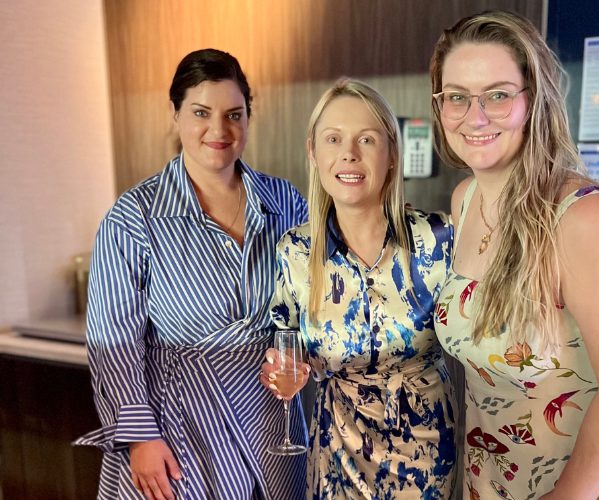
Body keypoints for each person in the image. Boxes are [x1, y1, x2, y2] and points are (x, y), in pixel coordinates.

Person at [429, 12, 599, 500]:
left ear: (535, 100)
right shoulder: (466, 201)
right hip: (502, 467)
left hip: (592, 480)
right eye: (457, 97)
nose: (474, 116)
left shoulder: (591, 218)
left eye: (498, 95)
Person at [74, 49, 308, 500]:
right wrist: (141, 438)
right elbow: (112, 342)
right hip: (180, 430)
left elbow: (313, 304)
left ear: (247, 117)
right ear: (175, 113)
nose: (219, 130)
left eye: (233, 115)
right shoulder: (134, 217)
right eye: (201, 112)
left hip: (273, 420)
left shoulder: (286, 202)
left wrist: (303, 357)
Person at [259, 78, 457, 500]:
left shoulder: (439, 238)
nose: (349, 153)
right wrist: (280, 371)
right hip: (336, 452)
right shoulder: (295, 252)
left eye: (367, 139)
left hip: (426, 454)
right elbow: (282, 344)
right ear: (313, 152)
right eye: (333, 139)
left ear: (390, 155)